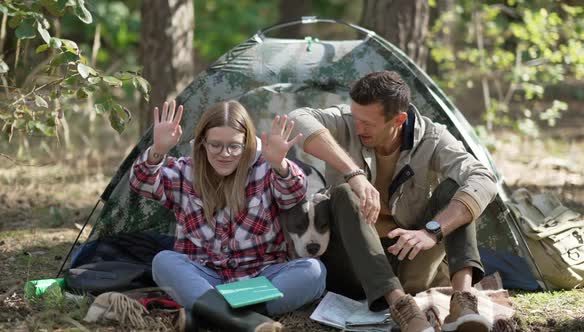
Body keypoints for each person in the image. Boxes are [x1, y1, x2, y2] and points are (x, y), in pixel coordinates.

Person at [288, 71, 498, 332]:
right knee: (343, 192)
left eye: (367, 123)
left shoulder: (432, 138)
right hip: (354, 264)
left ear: (399, 119)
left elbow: (484, 178)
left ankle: (463, 303)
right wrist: (354, 174)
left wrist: (432, 230)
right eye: (356, 118)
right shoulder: (347, 121)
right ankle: (402, 308)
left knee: (456, 189)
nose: (357, 127)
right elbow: (297, 119)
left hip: (410, 257)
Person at [130, 100, 326, 332]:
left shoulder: (265, 167)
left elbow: (294, 195)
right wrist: (158, 151)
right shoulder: (185, 171)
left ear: (247, 143)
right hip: (205, 277)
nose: (225, 154)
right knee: (163, 261)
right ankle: (248, 322)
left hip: (261, 278)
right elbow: (141, 183)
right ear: (202, 143)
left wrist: (280, 164)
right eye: (215, 145)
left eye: (234, 146)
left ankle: (209, 315)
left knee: (314, 272)